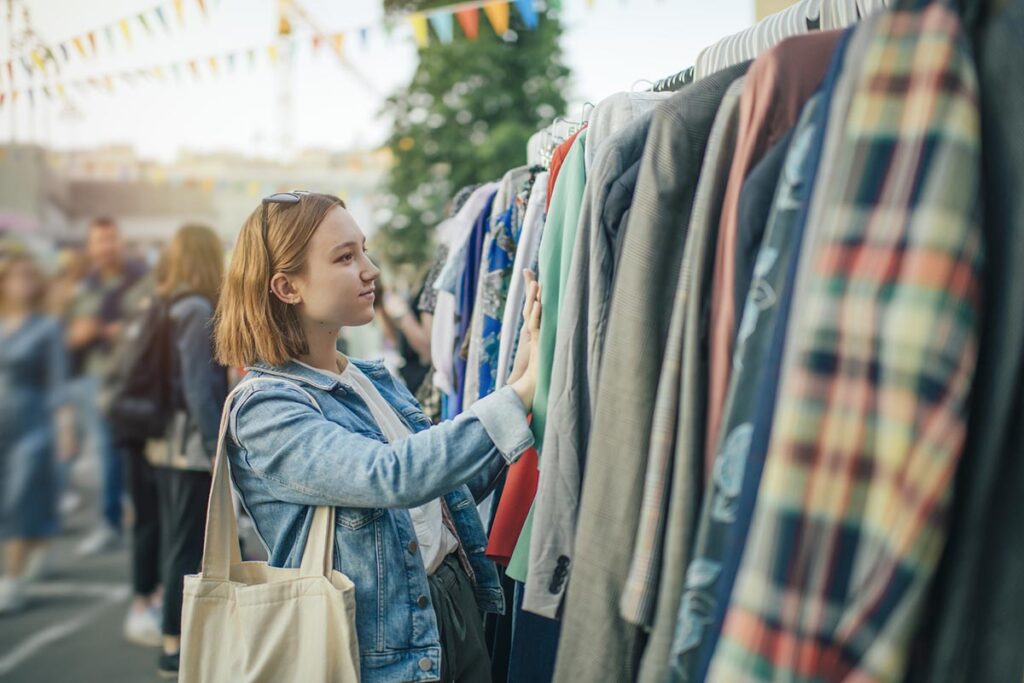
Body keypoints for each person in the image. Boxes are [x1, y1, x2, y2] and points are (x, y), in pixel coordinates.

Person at [213, 192, 542, 683]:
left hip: (450, 609)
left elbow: (445, 493)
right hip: (377, 651)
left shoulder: (369, 377)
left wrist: (522, 385)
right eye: (345, 257)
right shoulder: (265, 408)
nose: (370, 270)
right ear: (287, 287)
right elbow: (392, 476)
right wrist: (515, 397)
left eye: (363, 250)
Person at [147, 225, 228, 679]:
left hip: (165, 440)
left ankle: (176, 636)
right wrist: (212, 443)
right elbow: (199, 387)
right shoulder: (196, 308)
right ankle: (174, 644)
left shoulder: (169, 303)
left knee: (176, 539)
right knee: (186, 544)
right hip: (187, 444)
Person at [0, 252, 76, 614]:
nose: (23, 284)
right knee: (8, 497)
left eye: (29, 276)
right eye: (16, 276)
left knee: (20, 496)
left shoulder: (46, 327)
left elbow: (57, 382)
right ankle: (39, 541)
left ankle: (11, 580)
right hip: (2, 424)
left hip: (33, 422)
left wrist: (64, 428)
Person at [66, 217, 147, 556]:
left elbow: (146, 323)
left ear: (120, 241)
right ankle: (113, 518)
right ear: (91, 245)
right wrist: (78, 334)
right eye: (99, 241)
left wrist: (111, 330)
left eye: (110, 239)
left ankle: (119, 519)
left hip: (131, 377)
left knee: (125, 452)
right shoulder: (86, 285)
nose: (105, 247)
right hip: (92, 377)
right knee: (106, 453)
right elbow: (69, 332)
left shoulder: (139, 279)